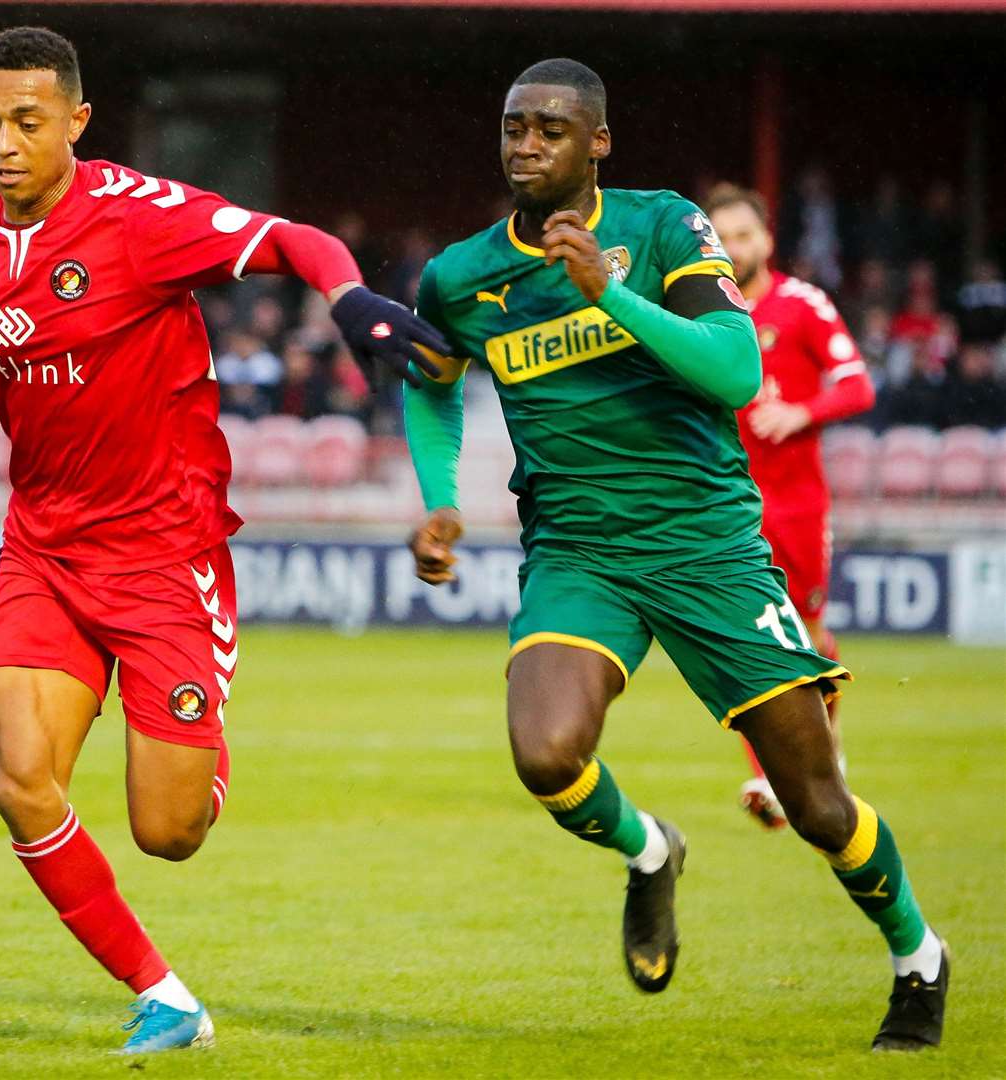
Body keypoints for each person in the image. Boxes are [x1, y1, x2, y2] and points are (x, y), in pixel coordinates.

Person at [400, 59, 949, 1051]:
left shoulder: (662, 229)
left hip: (705, 546)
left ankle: (917, 954)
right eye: (513, 127)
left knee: (816, 806)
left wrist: (610, 294)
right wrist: (439, 500)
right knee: (545, 755)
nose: (525, 145)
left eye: (550, 129)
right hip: (576, 554)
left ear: (597, 142)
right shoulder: (461, 274)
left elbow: (736, 373)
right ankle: (650, 850)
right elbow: (430, 381)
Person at [0, 26, 447, 1055]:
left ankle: (198, 752)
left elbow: (293, 238)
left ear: (75, 120)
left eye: (28, 120)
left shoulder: (136, 218)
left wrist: (352, 305)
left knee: (167, 833)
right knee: (17, 773)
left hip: (165, 551)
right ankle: (163, 994)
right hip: (45, 548)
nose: (5, 142)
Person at [706, 184, 876, 828]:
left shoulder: (802, 305)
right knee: (744, 639)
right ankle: (768, 774)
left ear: (767, 240)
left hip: (796, 504)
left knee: (803, 638)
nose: (733, 248)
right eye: (720, 237)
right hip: (725, 505)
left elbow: (858, 385)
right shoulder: (696, 312)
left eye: (744, 235)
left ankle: (822, 758)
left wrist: (802, 411)